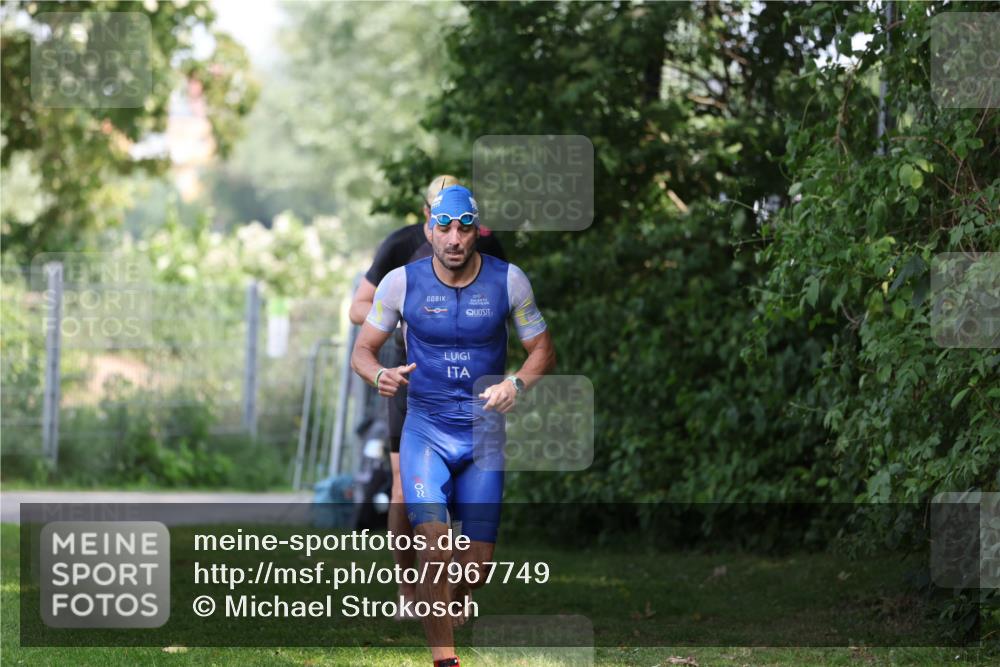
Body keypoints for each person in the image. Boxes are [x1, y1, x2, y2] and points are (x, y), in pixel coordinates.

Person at [351, 185, 555, 667]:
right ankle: (445, 660)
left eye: (464, 227)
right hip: (426, 430)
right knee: (435, 545)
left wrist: (517, 386)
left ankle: (445, 595)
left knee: (478, 567)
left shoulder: (510, 281)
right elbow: (363, 349)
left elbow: (542, 350)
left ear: (475, 230)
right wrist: (380, 373)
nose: (454, 238)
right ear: (430, 228)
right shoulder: (400, 283)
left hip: (483, 434)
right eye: (444, 227)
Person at [348, 176, 506, 613]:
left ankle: (454, 586)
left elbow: (504, 308)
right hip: (410, 380)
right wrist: (398, 317)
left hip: (472, 393)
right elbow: (358, 308)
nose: (453, 232)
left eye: (463, 222)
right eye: (439, 214)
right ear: (425, 216)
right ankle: (407, 588)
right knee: (404, 487)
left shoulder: (491, 250)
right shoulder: (400, 247)